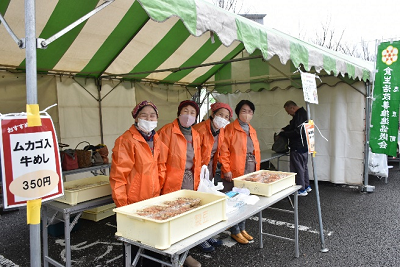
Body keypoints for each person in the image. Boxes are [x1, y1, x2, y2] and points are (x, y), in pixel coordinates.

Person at [109, 100, 167, 267]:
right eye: (144, 115)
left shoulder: (157, 139)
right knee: (132, 246)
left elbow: (161, 167)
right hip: (133, 203)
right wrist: (123, 207)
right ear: (136, 118)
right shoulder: (126, 140)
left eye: (152, 115)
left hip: (153, 201)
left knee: (153, 245)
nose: (149, 119)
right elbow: (118, 177)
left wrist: (159, 194)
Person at [157, 100, 202, 267]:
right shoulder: (167, 131)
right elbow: (160, 161)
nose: (188, 115)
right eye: (185, 111)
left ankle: (184, 254)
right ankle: (172, 256)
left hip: (190, 181)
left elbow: (198, 160)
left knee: (186, 220)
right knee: (171, 219)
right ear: (178, 113)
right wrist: (161, 184)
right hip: (172, 182)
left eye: (192, 113)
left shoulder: (196, 134)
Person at [192, 102, 233, 252]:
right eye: (220, 115)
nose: (223, 118)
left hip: (208, 169)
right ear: (213, 114)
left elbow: (221, 151)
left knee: (207, 202)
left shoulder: (221, 131)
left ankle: (206, 235)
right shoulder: (199, 129)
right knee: (197, 203)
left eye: (226, 116)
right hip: (196, 171)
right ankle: (198, 238)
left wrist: (224, 168)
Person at [219, 100, 261, 245]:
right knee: (234, 202)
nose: (247, 114)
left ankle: (242, 228)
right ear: (238, 112)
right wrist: (226, 169)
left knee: (245, 200)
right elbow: (223, 151)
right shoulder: (229, 129)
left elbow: (256, 151)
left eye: (250, 111)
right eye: (244, 111)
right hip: (235, 171)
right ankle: (235, 231)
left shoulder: (252, 130)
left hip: (250, 170)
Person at [279, 100, 311, 196]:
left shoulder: (299, 115)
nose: (288, 114)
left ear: (292, 108)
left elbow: (297, 132)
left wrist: (284, 134)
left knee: (298, 168)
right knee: (304, 166)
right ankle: (306, 186)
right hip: (304, 146)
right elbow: (294, 127)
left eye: (288, 111)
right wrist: (286, 128)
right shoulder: (303, 114)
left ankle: (301, 189)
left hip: (298, 146)